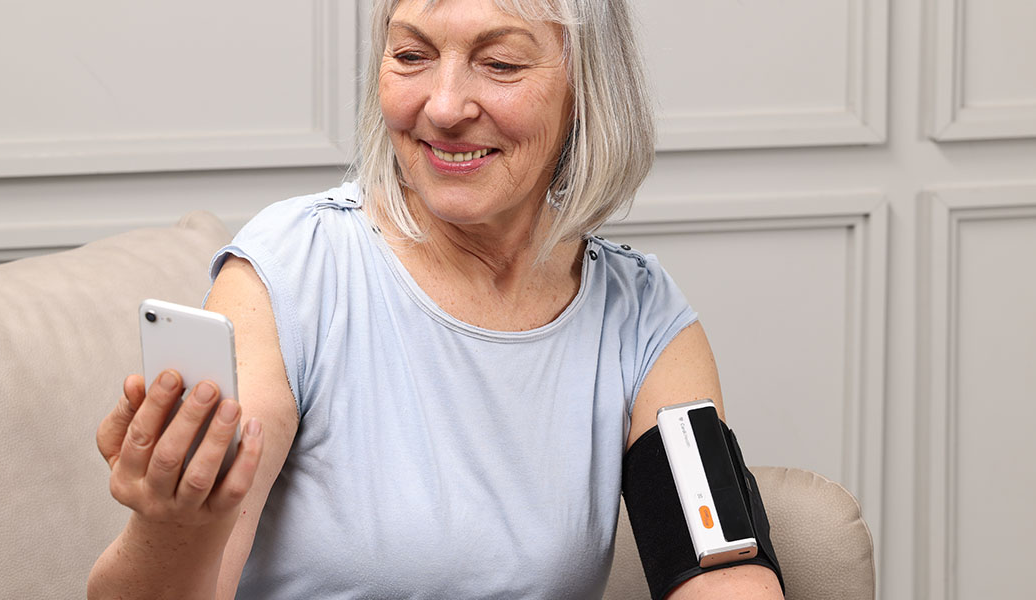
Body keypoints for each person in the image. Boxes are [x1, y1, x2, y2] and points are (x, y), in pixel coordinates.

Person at [88, 0, 783, 598]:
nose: (444, 107)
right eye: (412, 55)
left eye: (501, 64)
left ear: (588, 89)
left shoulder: (639, 319)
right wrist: (171, 525)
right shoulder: (294, 274)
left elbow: (718, 564)